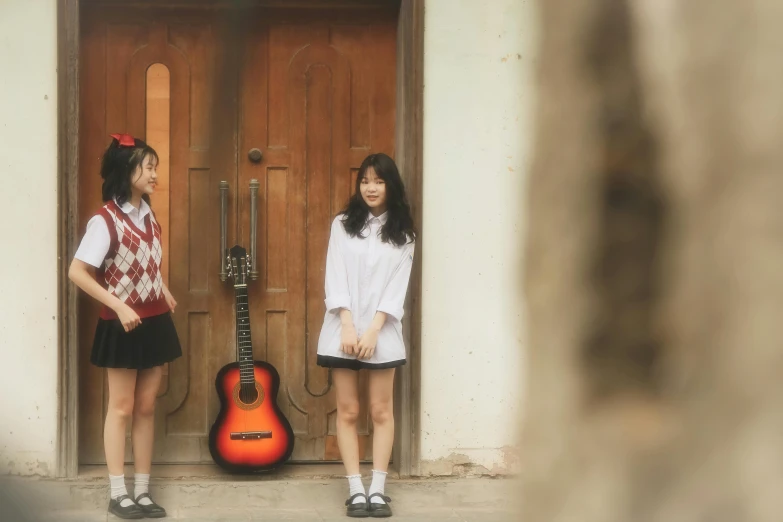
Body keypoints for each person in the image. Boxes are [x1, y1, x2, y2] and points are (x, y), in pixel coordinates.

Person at [69, 133, 181, 519]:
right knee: (121, 407)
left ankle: (143, 490)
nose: (154, 175)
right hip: (123, 324)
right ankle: (118, 493)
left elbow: (141, 263)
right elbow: (78, 272)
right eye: (148, 167)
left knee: (147, 406)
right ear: (127, 170)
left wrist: (162, 289)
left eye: (155, 168)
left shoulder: (148, 214)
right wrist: (118, 306)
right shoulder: (104, 220)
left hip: (155, 321)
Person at [317, 152, 416, 518]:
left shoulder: (404, 234)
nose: (371, 188)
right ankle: (355, 489)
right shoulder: (342, 224)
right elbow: (335, 273)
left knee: (380, 410)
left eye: (379, 181)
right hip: (342, 328)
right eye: (365, 181)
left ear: (391, 185)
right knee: (348, 410)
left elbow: (396, 288)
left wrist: (374, 329)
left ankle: (378, 489)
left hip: (382, 331)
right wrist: (346, 322)